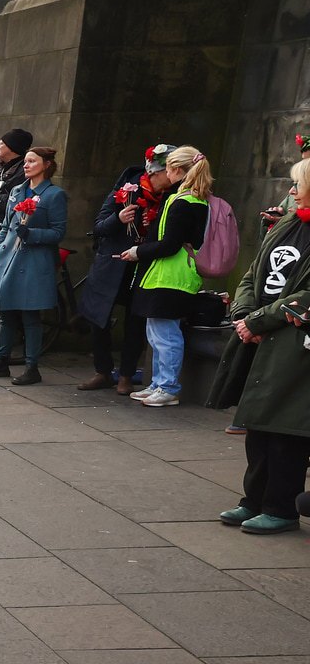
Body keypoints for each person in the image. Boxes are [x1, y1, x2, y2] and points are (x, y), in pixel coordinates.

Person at [221, 156, 310, 537]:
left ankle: (281, 507)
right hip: (261, 334)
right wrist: (244, 314)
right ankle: (253, 500)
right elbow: (254, 272)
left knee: (286, 430)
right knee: (256, 425)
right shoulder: (287, 223)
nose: (291, 191)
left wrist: (258, 321)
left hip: (294, 344)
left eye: (298, 183)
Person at [120, 145, 212, 407]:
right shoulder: (195, 199)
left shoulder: (181, 201)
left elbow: (169, 244)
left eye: (168, 167)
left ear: (177, 170)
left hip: (169, 275)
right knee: (158, 331)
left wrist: (139, 251)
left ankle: (167, 385)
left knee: (165, 334)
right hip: (173, 274)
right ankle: (160, 383)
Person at [0, 147, 68, 384]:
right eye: (25, 161)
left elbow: (58, 232)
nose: (26, 165)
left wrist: (31, 233)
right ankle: (1, 361)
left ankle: (32, 367)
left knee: (30, 316)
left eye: (32, 161)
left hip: (33, 261)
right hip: (8, 257)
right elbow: (6, 224)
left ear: (46, 165)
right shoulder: (17, 190)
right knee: (5, 312)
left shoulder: (54, 195)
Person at [79, 146, 170, 393]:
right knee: (99, 318)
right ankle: (102, 370)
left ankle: (126, 376)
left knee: (136, 321)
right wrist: (119, 219)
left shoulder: (173, 195)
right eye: (168, 171)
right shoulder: (125, 190)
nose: (172, 176)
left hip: (144, 264)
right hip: (113, 262)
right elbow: (98, 227)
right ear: (154, 172)